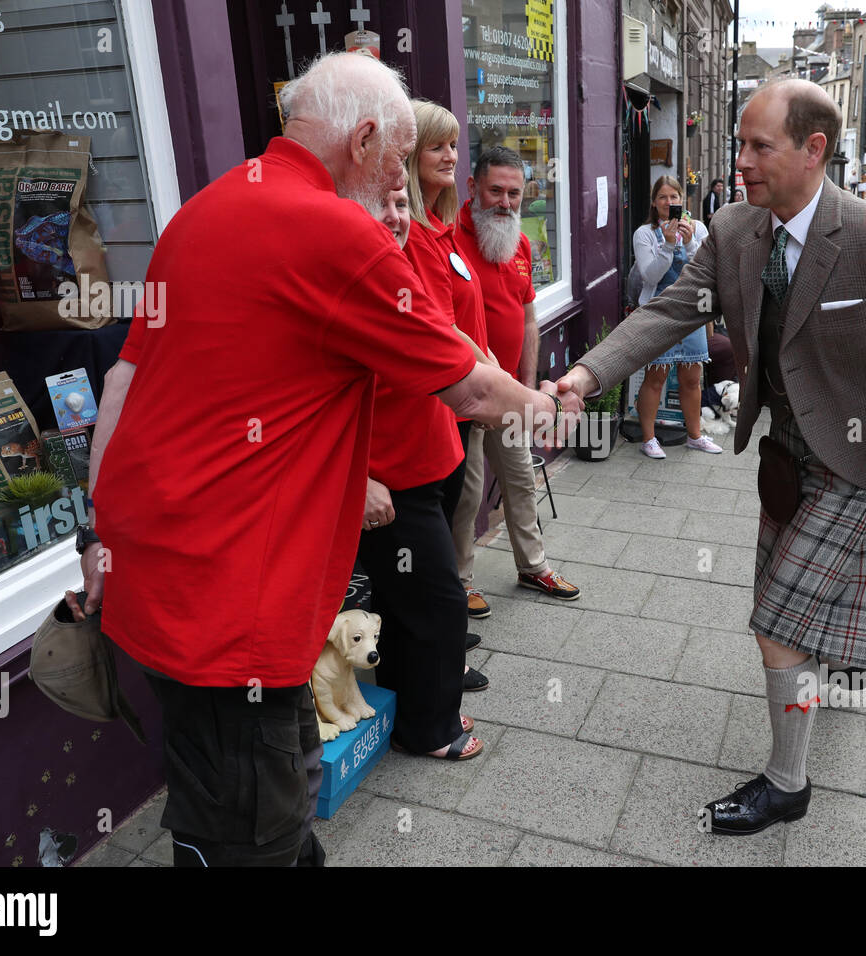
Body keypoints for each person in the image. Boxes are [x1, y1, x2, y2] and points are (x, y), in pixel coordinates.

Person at [76, 52, 578, 867]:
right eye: (398, 163)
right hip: (232, 607)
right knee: (248, 830)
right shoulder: (335, 232)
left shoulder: (203, 211)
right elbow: (472, 392)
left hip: (159, 576)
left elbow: (122, 386)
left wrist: (98, 543)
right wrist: (549, 404)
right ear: (366, 138)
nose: (403, 187)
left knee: (255, 794)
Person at [557, 78, 866, 834]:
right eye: (740, 144)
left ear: (814, 151)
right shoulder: (736, 227)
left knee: (776, 621)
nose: (740, 160)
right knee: (806, 607)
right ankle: (840, 662)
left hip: (863, 460)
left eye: (757, 145)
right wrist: (587, 373)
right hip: (784, 457)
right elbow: (672, 309)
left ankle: (787, 785)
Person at [452, 145, 581, 618]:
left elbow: (528, 320)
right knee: (467, 497)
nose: (505, 203)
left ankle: (534, 567)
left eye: (514, 193)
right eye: (496, 191)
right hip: (465, 394)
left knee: (521, 480)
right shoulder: (450, 238)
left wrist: (528, 389)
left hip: (510, 394)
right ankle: (461, 582)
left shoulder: (519, 243)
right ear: (472, 188)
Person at [399, 98, 496, 696]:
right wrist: (501, 386)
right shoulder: (409, 231)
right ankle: (440, 656)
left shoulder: (443, 229)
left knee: (460, 507)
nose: (451, 158)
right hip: (438, 404)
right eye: (437, 146)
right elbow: (438, 331)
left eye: (454, 146)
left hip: (465, 398)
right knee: (430, 538)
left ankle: (449, 630)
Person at [630, 175, 720, 458]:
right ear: (654, 203)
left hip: (690, 311)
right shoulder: (644, 234)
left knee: (692, 377)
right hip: (659, 311)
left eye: (674, 197)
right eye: (663, 198)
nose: (669, 203)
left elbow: (707, 270)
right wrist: (668, 245)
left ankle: (694, 435)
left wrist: (691, 242)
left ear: (683, 200)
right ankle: (648, 438)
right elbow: (650, 275)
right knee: (655, 377)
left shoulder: (699, 228)